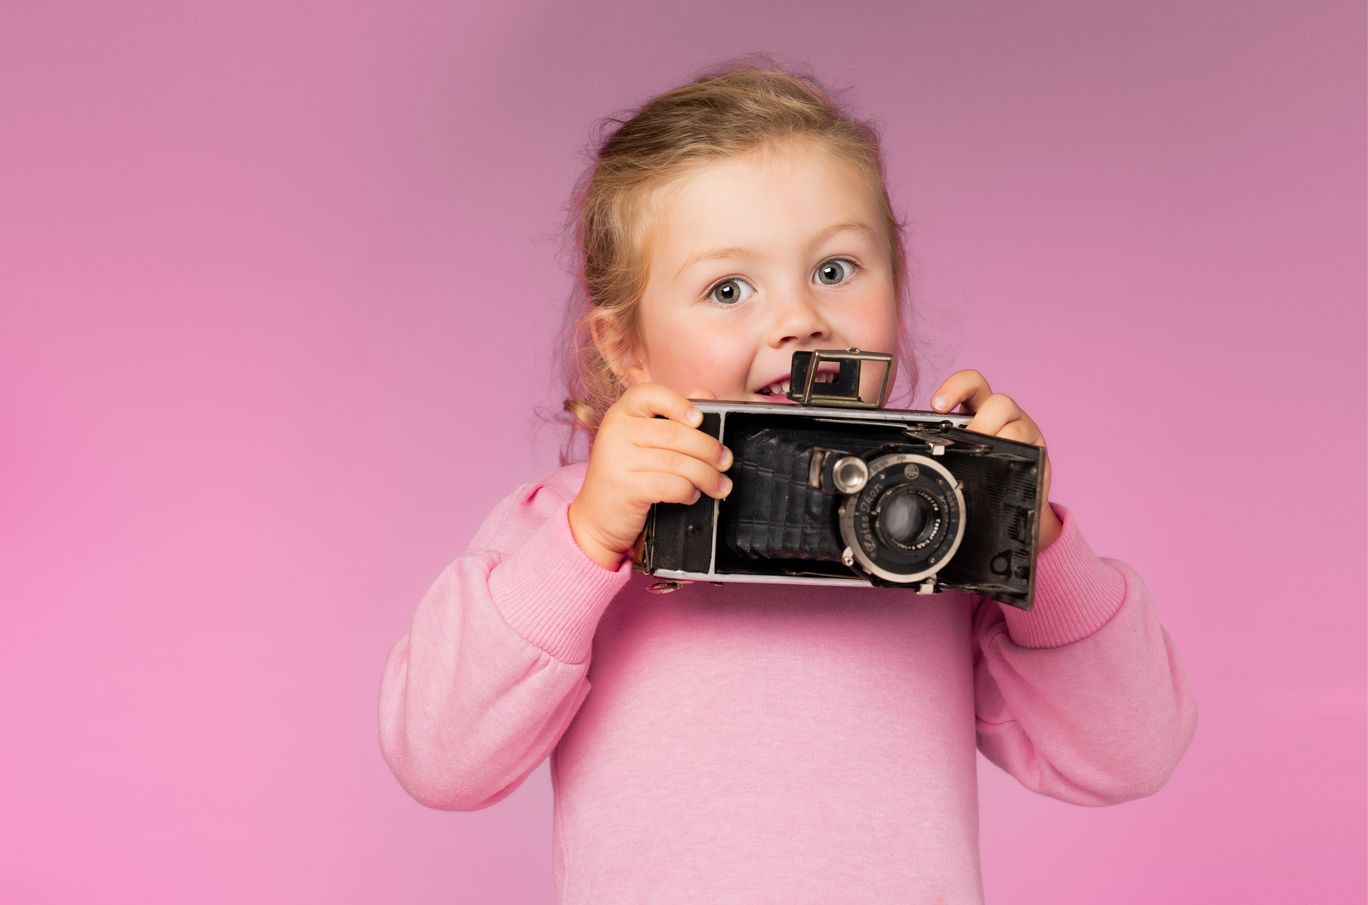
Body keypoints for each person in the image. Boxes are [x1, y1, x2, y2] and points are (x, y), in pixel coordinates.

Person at [378, 60, 1197, 904]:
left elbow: (1132, 753)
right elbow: (439, 760)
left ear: (898, 289)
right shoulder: (574, 532)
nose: (799, 319)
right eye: (729, 288)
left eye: (836, 270)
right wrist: (587, 542)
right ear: (625, 348)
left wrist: (1033, 533)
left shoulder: (940, 522)